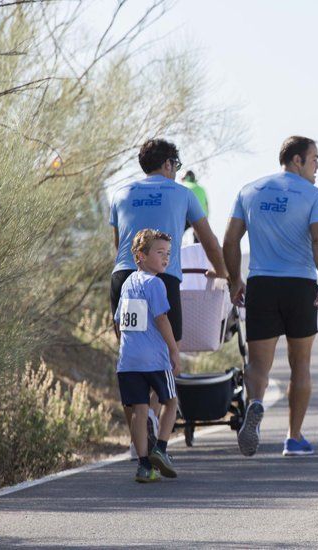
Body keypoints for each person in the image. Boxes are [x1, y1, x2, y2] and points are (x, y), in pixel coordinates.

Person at [110, 138, 229, 451]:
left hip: (124, 278)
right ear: (168, 164)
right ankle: (151, 417)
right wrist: (222, 272)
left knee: (131, 356)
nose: (176, 170)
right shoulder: (182, 193)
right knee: (163, 355)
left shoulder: (120, 192)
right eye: (175, 165)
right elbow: (209, 241)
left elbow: (119, 243)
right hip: (162, 280)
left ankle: (139, 441)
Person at [223, 136, 318, 458]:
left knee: (258, 365)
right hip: (300, 287)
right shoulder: (315, 196)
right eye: (314, 159)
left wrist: (234, 281)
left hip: (262, 284)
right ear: (297, 160)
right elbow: (317, 243)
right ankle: (293, 437)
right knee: (301, 364)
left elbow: (230, 242)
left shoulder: (249, 190)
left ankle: (255, 404)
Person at [115, 229, 181, 483]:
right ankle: (161, 449)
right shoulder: (155, 283)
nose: (166, 259)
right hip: (154, 359)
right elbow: (161, 318)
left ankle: (144, 466)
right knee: (171, 401)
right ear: (141, 256)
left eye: (168, 254)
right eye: (159, 253)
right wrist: (174, 350)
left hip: (128, 361)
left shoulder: (127, 283)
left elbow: (119, 320)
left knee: (139, 411)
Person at [182, 170, 209, 244]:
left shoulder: (184, 186)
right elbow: (206, 205)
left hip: (187, 216)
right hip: (202, 217)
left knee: (176, 235)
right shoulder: (201, 189)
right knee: (198, 239)